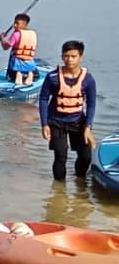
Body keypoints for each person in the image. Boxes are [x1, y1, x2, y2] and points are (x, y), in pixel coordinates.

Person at [39, 40, 96, 181]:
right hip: (56, 122)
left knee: (86, 156)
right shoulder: (52, 77)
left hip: (77, 121)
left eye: (73, 56)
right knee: (60, 155)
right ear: (62, 56)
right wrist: (44, 124)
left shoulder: (88, 79)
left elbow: (91, 104)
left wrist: (88, 126)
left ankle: (80, 181)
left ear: (80, 57)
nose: (69, 59)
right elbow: (43, 99)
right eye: (65, 56)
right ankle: (59, 191)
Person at [0, 13, 38, 86]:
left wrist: (2, 38)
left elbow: (5, 47)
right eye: (14, 23)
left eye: (17, 23)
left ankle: (18, 81)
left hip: (17, 63)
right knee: (30, 71)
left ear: (25, 25)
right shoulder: (33, 33)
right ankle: (29, 79)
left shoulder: (16, 34)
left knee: (17, 71)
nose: (14, 25)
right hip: (30, 62)